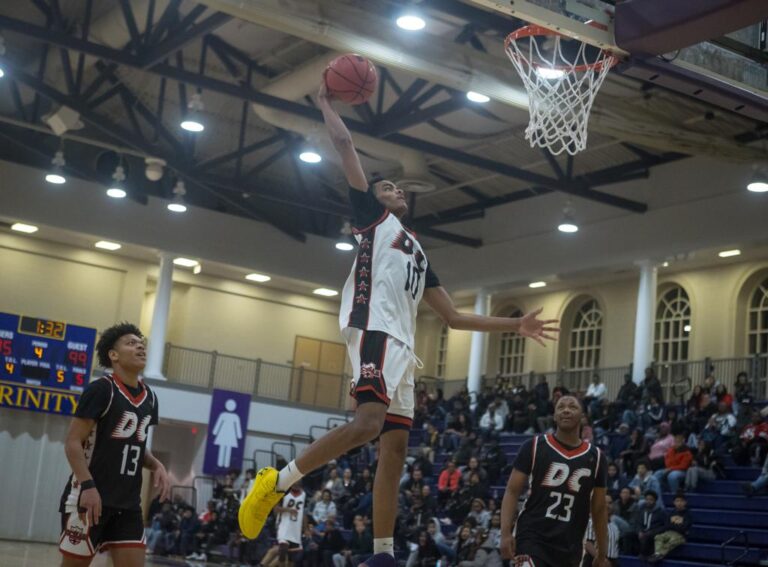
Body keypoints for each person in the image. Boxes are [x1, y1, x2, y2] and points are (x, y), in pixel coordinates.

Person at [238, 83, 560, 567]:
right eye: (388, 186)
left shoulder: (419, 251)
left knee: (395, 450)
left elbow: (453, 317)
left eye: (396, 187)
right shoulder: (373, 220)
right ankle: (276, 481)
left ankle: (383, 555)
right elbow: (346, 147)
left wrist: (513, 325)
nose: (397, 190)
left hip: (404, 350)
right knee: (368, 424)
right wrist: (325, 104)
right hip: (374, 330)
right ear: (374, 198)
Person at [59, 322, 170, 566]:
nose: (140, 346)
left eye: (141, 343)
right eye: (131, 343)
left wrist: (156, 465)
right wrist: (88, 486)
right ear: (113, 355)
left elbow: (135, 445)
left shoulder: (150, 397)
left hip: (128, 505)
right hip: (90, 497)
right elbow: (73, 442)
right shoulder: (101, 390)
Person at [500, 395, 609, 567]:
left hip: (569, 546)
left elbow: (599, 508)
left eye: (572, 407)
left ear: (582, 416)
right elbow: (512, 491)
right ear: (555, 416)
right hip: (532, 537)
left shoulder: (596, 457)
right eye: (561, 407)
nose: (566, 410)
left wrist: (602, 553)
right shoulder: (534, 446)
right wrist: (505, 533)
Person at [648, 494, 691, 564]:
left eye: (681, 501)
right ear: (674, 502)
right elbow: (667, 525)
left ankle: (660, 554)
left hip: (681, 535)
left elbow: (684, 528)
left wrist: (673, 525)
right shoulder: (671, 513)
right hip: (669, 532)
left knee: (672, 541)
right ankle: (657, 554)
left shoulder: (688, 515)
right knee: (658, 537)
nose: (679, 503)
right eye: (677, 501)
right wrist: (677, 525)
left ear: (685, 502)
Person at [582, 494, 620, 567]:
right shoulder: (591, 521)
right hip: (594, 561)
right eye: (604, 502)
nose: (607, 505)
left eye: (610, 503)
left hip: (612, 561)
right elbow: (588, 543)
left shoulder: (615, 526)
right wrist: (602, 560)